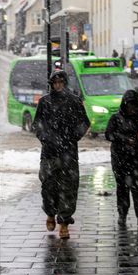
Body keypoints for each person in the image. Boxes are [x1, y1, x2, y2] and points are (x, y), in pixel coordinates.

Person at [32, 70, 90, 239]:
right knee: (48, 187)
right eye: (55, 83)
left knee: (68, 189)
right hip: (49, 153)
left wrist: (72, 137)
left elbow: (84, 122)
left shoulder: (74, 101)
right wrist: (46, 138)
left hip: (68, 153)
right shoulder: (45, 102)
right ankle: (50, 212)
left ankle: (64, 222)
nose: (58, 85)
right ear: (51, 84)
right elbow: (37, 124)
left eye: (61, 82)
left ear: (65, 83)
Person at [105, 90, 138, 227]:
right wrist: (124, 139)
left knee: (137, 185)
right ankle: (122, 214)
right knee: (122, 187)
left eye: (134, 105)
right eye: (129, 105)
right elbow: (109, 134)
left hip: (136, 158)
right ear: (125, 105)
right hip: (119, 158)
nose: (132, 109)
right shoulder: (116, 118)